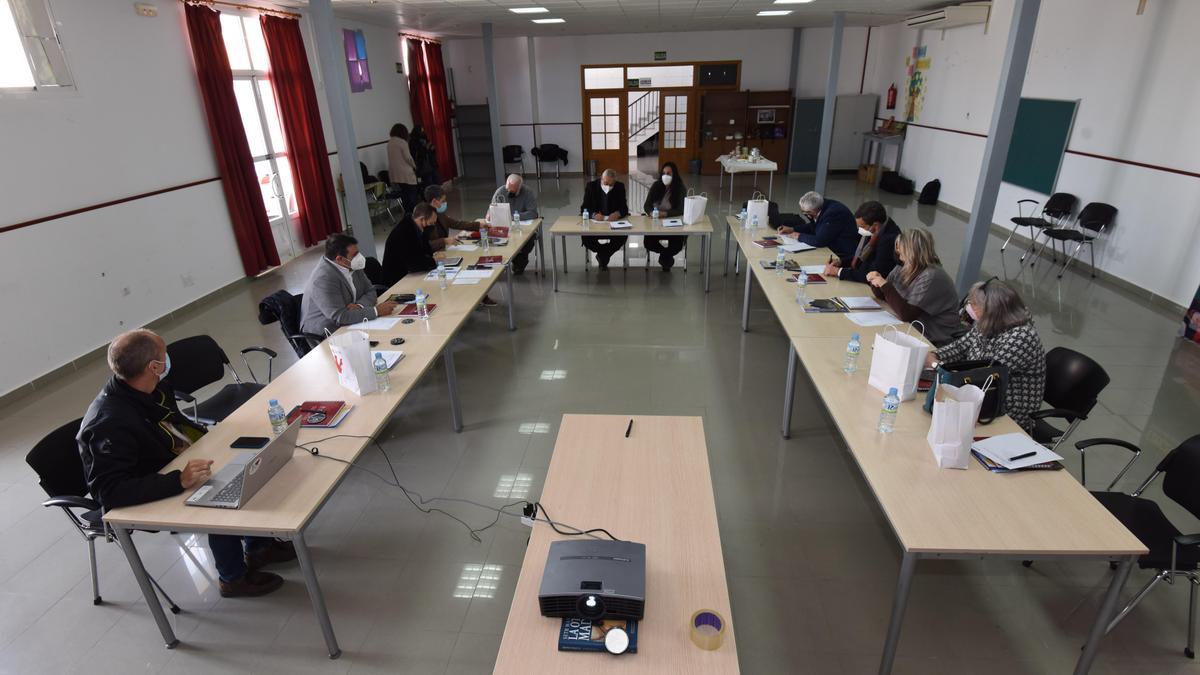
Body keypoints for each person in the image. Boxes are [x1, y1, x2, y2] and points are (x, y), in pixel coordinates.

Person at [78, 329, 295, 598]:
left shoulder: (151, 386)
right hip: (147, 485)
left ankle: (258, 547)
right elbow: (108, 491)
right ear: (154, 367)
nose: (169, 359)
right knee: (217, 494)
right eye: (164, 354)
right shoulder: (109, 422)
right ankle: (233, 578)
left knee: (244, 462)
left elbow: (171, 427)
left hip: (170, 461)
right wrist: (177, 481)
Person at [924, 278, 1046, 434]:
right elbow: (962, 346)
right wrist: (936, 354)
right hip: (981, 396)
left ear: (993, 309)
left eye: (975, 304)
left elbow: (984, 374)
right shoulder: (988, 321)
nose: (969, 307)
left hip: (1005, 411)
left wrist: (936, 366)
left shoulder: (1021, 337)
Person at [867, 229, 965, 347]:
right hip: (911, 328)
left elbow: (907, 314)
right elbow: (884, 296)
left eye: (900, 247)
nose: (897, 250)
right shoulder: (904, 266)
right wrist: (876, 282)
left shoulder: (931, 275)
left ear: (912, 250)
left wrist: (885, 285)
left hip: (934, 338)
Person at [300, 234, 398, 335]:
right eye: (355, 255)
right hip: (327, 331)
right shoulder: (323, 279)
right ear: (339, 259)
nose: (359, 258)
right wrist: (376, 311)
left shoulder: (352, 264)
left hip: (352, 320)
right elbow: (340, 317)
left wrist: (360, 306)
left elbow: (370, 290)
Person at [825, 201, 901, 284]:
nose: (859, 229)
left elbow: (874, 274)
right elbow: (861, 257)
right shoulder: (877, 230)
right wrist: (841, 262)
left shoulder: (888, 240)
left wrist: (839, 272)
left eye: (862, 226)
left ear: (875, 225)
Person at [779, 191, 859, 261]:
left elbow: (819, 241)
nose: (805, 215)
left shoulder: (833, 214)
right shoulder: (820, 206)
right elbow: (815, 226)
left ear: (814, 210)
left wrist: (799, 236)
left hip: (841, 252)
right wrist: (793, 229)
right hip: (830, 244)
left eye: (807, 213)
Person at [579, 168, 630, 270]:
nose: (608, 187)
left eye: (611, 185)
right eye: (605, 183)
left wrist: (618, 213)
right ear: (601, 179)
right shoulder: (591, 187)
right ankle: (604, 255)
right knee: (586, 238)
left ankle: (602, 255)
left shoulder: (619, 187)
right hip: (595, 224)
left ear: (614, 182)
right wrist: (593, 215)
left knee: (622, 237)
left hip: (613, 224)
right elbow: (584, 208)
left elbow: (624, 208)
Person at [642, 161, 687, 271]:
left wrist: (665, 214)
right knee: (648, 243)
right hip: (655, 222)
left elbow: (680, 210)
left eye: (669, 173)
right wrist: (651, 212)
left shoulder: (680, 188)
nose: (665, 176)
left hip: (673, 223)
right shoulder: (656, 185)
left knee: (677, 245)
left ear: (674, 174)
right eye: (664, 173)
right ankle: (666, 256)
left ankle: (664, 257)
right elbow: (647, 205)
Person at [490, 174, 539, 274]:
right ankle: (509, 261)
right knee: (492, 237)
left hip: (523, 226)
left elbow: (533, 213)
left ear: (520, 188)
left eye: (513, 191)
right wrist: (490, 214)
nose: (509, 193)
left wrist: (513, 216)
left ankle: (519, 260)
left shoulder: (528, 192)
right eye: (508, 189)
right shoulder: (500, 192)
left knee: (529, 239)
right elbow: (492, 210)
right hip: (504, 226)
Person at [381, 202, 440, 285]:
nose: (432, 226)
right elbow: (413, 263)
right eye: (431, 223)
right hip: (397, 280)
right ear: (422, 219)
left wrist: (432, 258)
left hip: (412, 273)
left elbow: (426, 251)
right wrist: (433, 260)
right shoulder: (402, 233)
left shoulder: (418, 227)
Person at [423, 184, 480, 252]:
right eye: (443, 201)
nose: (445, 203)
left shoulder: (440, 214)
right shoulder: (424, 220)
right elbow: (423, 246)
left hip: (443, 251)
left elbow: (456, 224)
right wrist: (444, 241)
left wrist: (479, 225)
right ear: (434, 201)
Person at [387, 123, 420, 208]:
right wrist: (415, 166)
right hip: (406, 175)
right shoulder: (402, 142)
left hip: (396, 175)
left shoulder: (389, 143)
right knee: (412, 197)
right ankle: (415, 216)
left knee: (404, 196)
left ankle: (408, 215)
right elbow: (408, 158)